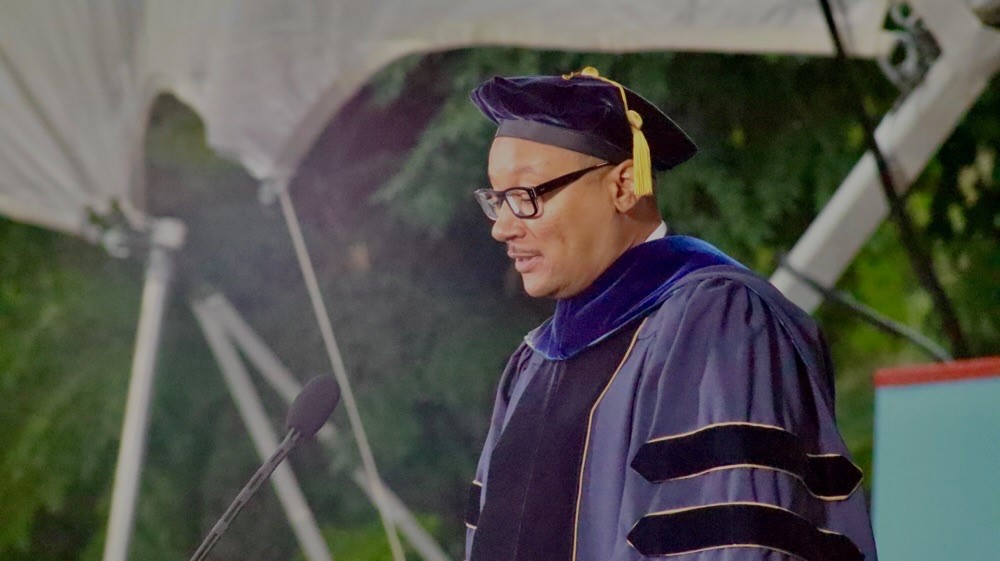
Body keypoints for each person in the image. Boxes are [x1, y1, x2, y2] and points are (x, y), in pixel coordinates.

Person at [462, 67, 879, 561]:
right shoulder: (532, 363)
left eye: (525, 197)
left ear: (622, 186)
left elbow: (735, 536)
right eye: (496, 200)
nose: (502, 228)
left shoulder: (722, 321)